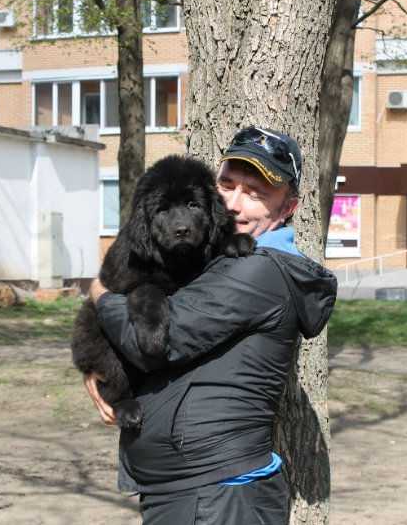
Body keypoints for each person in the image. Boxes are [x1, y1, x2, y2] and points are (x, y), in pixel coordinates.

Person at [84, 126, 337, 524]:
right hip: (188, 491)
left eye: (256, 194)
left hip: (218, 495)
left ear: (288, 208)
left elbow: (155, 342)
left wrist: (100, 293)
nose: (235, 204)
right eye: (227, 185)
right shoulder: (218, 259)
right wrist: (107, 380)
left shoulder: (258, 270)